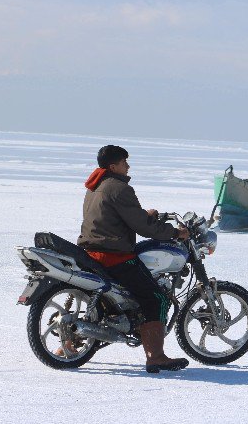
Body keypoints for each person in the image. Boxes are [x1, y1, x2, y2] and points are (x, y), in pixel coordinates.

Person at [76, 145, 190, 373]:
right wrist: (175, 233)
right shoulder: (119, 188)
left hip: (91, 251)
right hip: (113, 255)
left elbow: (117, 216)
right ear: (113, 166)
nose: (128, 166)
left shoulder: (94, 186)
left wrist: (145, 215)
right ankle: (156, 356)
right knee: (156, 297)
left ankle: (70, 345)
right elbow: (145, 229)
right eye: (125, 162)